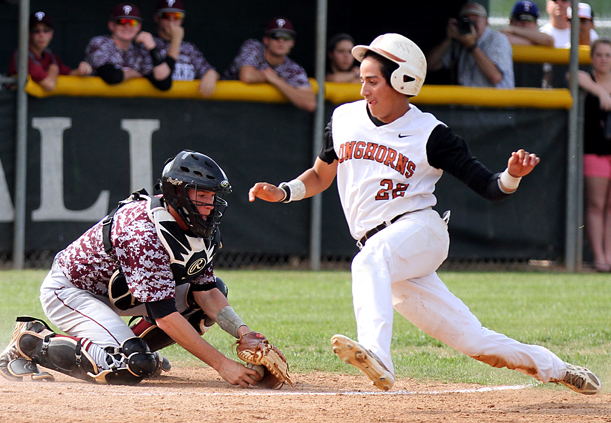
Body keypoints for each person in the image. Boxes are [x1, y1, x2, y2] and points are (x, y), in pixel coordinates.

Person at [248, 33, 602, 395]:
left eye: (372, 81)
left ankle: (378, 356)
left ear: (403, 80)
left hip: (420, 231)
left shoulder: (431, 134)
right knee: (473, 341)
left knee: (368, 262)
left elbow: (490, 188)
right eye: (362, 80)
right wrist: (284, 191)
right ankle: (558, 368)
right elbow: (321, 175)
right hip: (384, 252)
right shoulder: (344, 119)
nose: (364, 90)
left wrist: (512, 175)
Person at [0, 150, 269, 387]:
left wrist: (244, 333)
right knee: (133, 365)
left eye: (213, 196)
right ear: (177, 193)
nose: (210, 205)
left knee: (208, 295)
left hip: (119, 293)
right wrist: (223, 364)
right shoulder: (144, 233)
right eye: (202, 195)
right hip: (72, 292)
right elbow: (165, 317)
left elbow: (207, 292)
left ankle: (132, 346)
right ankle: (30, 342)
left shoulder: (195, 225)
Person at [223, 17, 316, 112]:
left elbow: (310, 104)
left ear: (292, 43)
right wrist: (265, 75)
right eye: (276, 36)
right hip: (227, 107)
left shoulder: (293, 69)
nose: (281, 41)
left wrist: (276, 80)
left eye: (286, 37)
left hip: (261, 114)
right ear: (266, 40)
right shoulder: (254, 48)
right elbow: (247, 76)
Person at [576, 39, 611, 272]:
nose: (603, 59)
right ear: (592, 57)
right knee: (596, 204)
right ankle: (599, 257)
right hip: (594, 152)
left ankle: (609, 255)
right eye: (599, 55)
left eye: (608, 55)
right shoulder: (586, 79)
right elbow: (573, 76)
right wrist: (599, 90)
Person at [83, 3, 172, 91]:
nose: (127, 26)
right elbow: (111, 76)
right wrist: (132, 74)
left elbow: (164, 84)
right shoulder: (100, 43)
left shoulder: (140, 51)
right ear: (111, 25)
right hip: (94, 102)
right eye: (122, 22)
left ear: (139, 26)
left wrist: (153, 48)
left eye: (132, 22)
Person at [427, 2, 514, 88]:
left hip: (494, 100)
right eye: (466, 21)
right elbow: (431, 65)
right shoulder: (459, 40)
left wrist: (471, 46)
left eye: (475, 21)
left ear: (486, 22)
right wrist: (449, 38)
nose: (471, 25)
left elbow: (496, 77)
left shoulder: (496, 39)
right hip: (466, 99)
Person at [8, 11, 92, 92]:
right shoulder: (22, 55)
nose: (41, 35)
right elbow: (50, 85)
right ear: (29, 34)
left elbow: (69, 73)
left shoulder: (49, 55)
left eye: (46, 30)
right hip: (12, 103)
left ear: (51, 33)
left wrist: (82, 70)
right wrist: (53, 70)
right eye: (36, 31)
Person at [152, 0, 219, 97]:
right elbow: (162, 77)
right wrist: (176, 40)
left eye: (177, 16)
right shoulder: (148, 44)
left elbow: (208, 70)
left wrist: (212, 74)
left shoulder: (189, 48)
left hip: (185, 107)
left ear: (182, 19)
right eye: (166, 16)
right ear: (156, 18)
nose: (172, 20)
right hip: (154, 105)